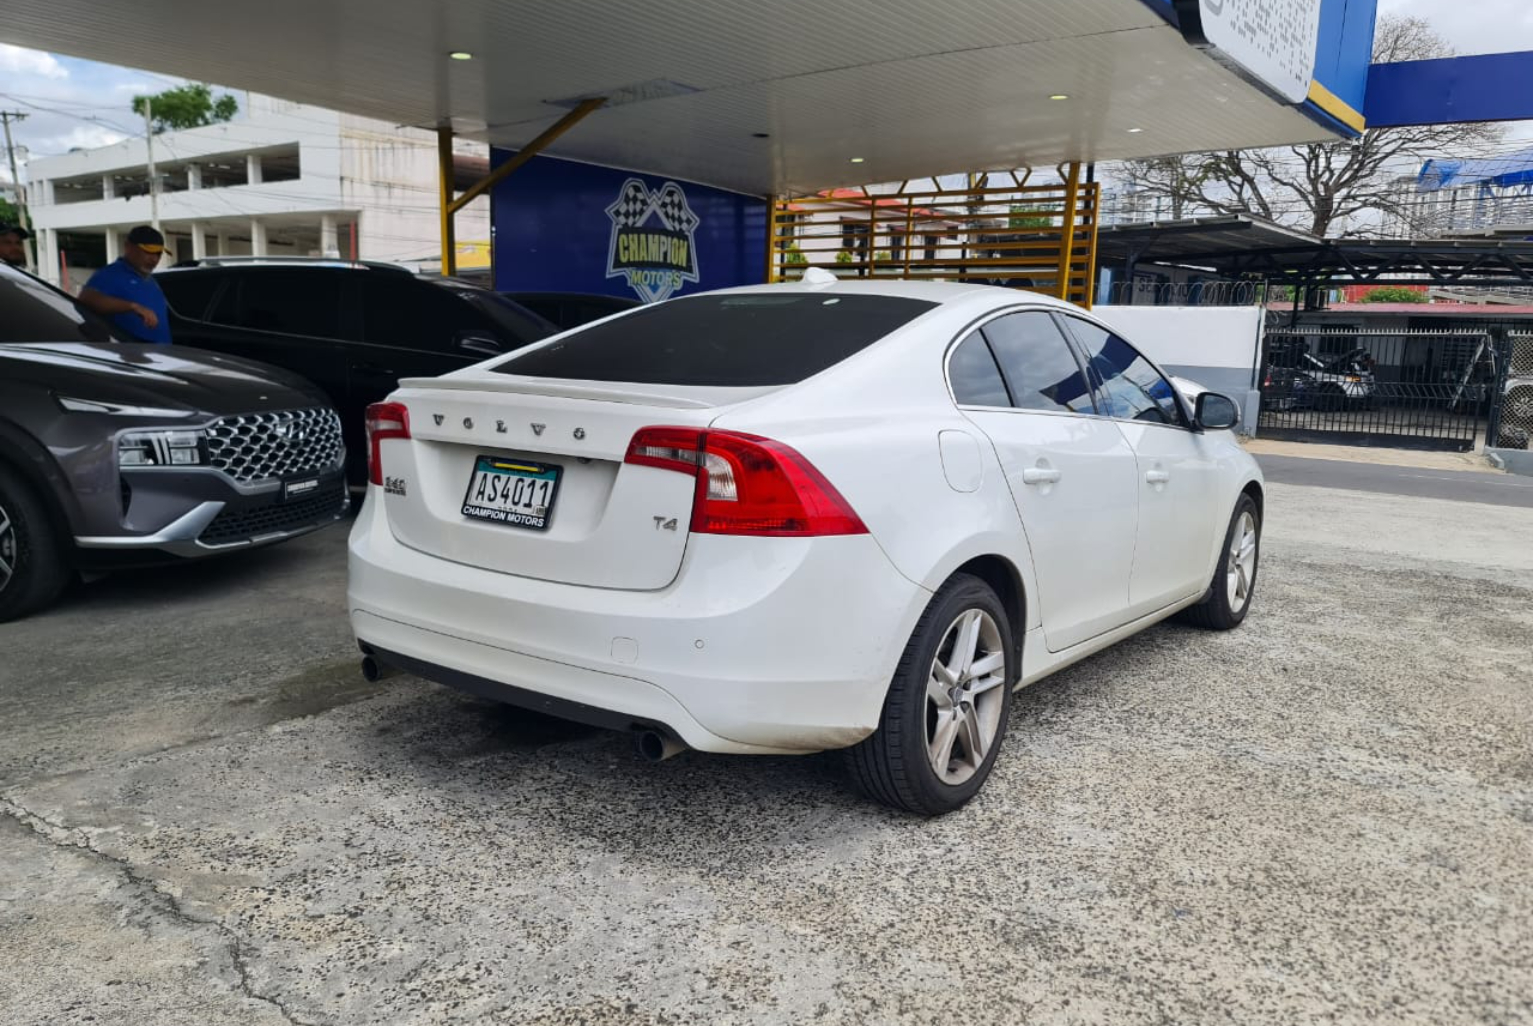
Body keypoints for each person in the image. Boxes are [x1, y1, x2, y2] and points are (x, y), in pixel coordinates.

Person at [78, 225, 171, 344]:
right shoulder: (110, 274)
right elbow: (86, 298)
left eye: (158, 254)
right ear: (128, 247)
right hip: (131, 355)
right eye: (148, 252)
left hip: (161, 356)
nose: (154, 259)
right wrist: (133, 307)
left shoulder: (150, 280)